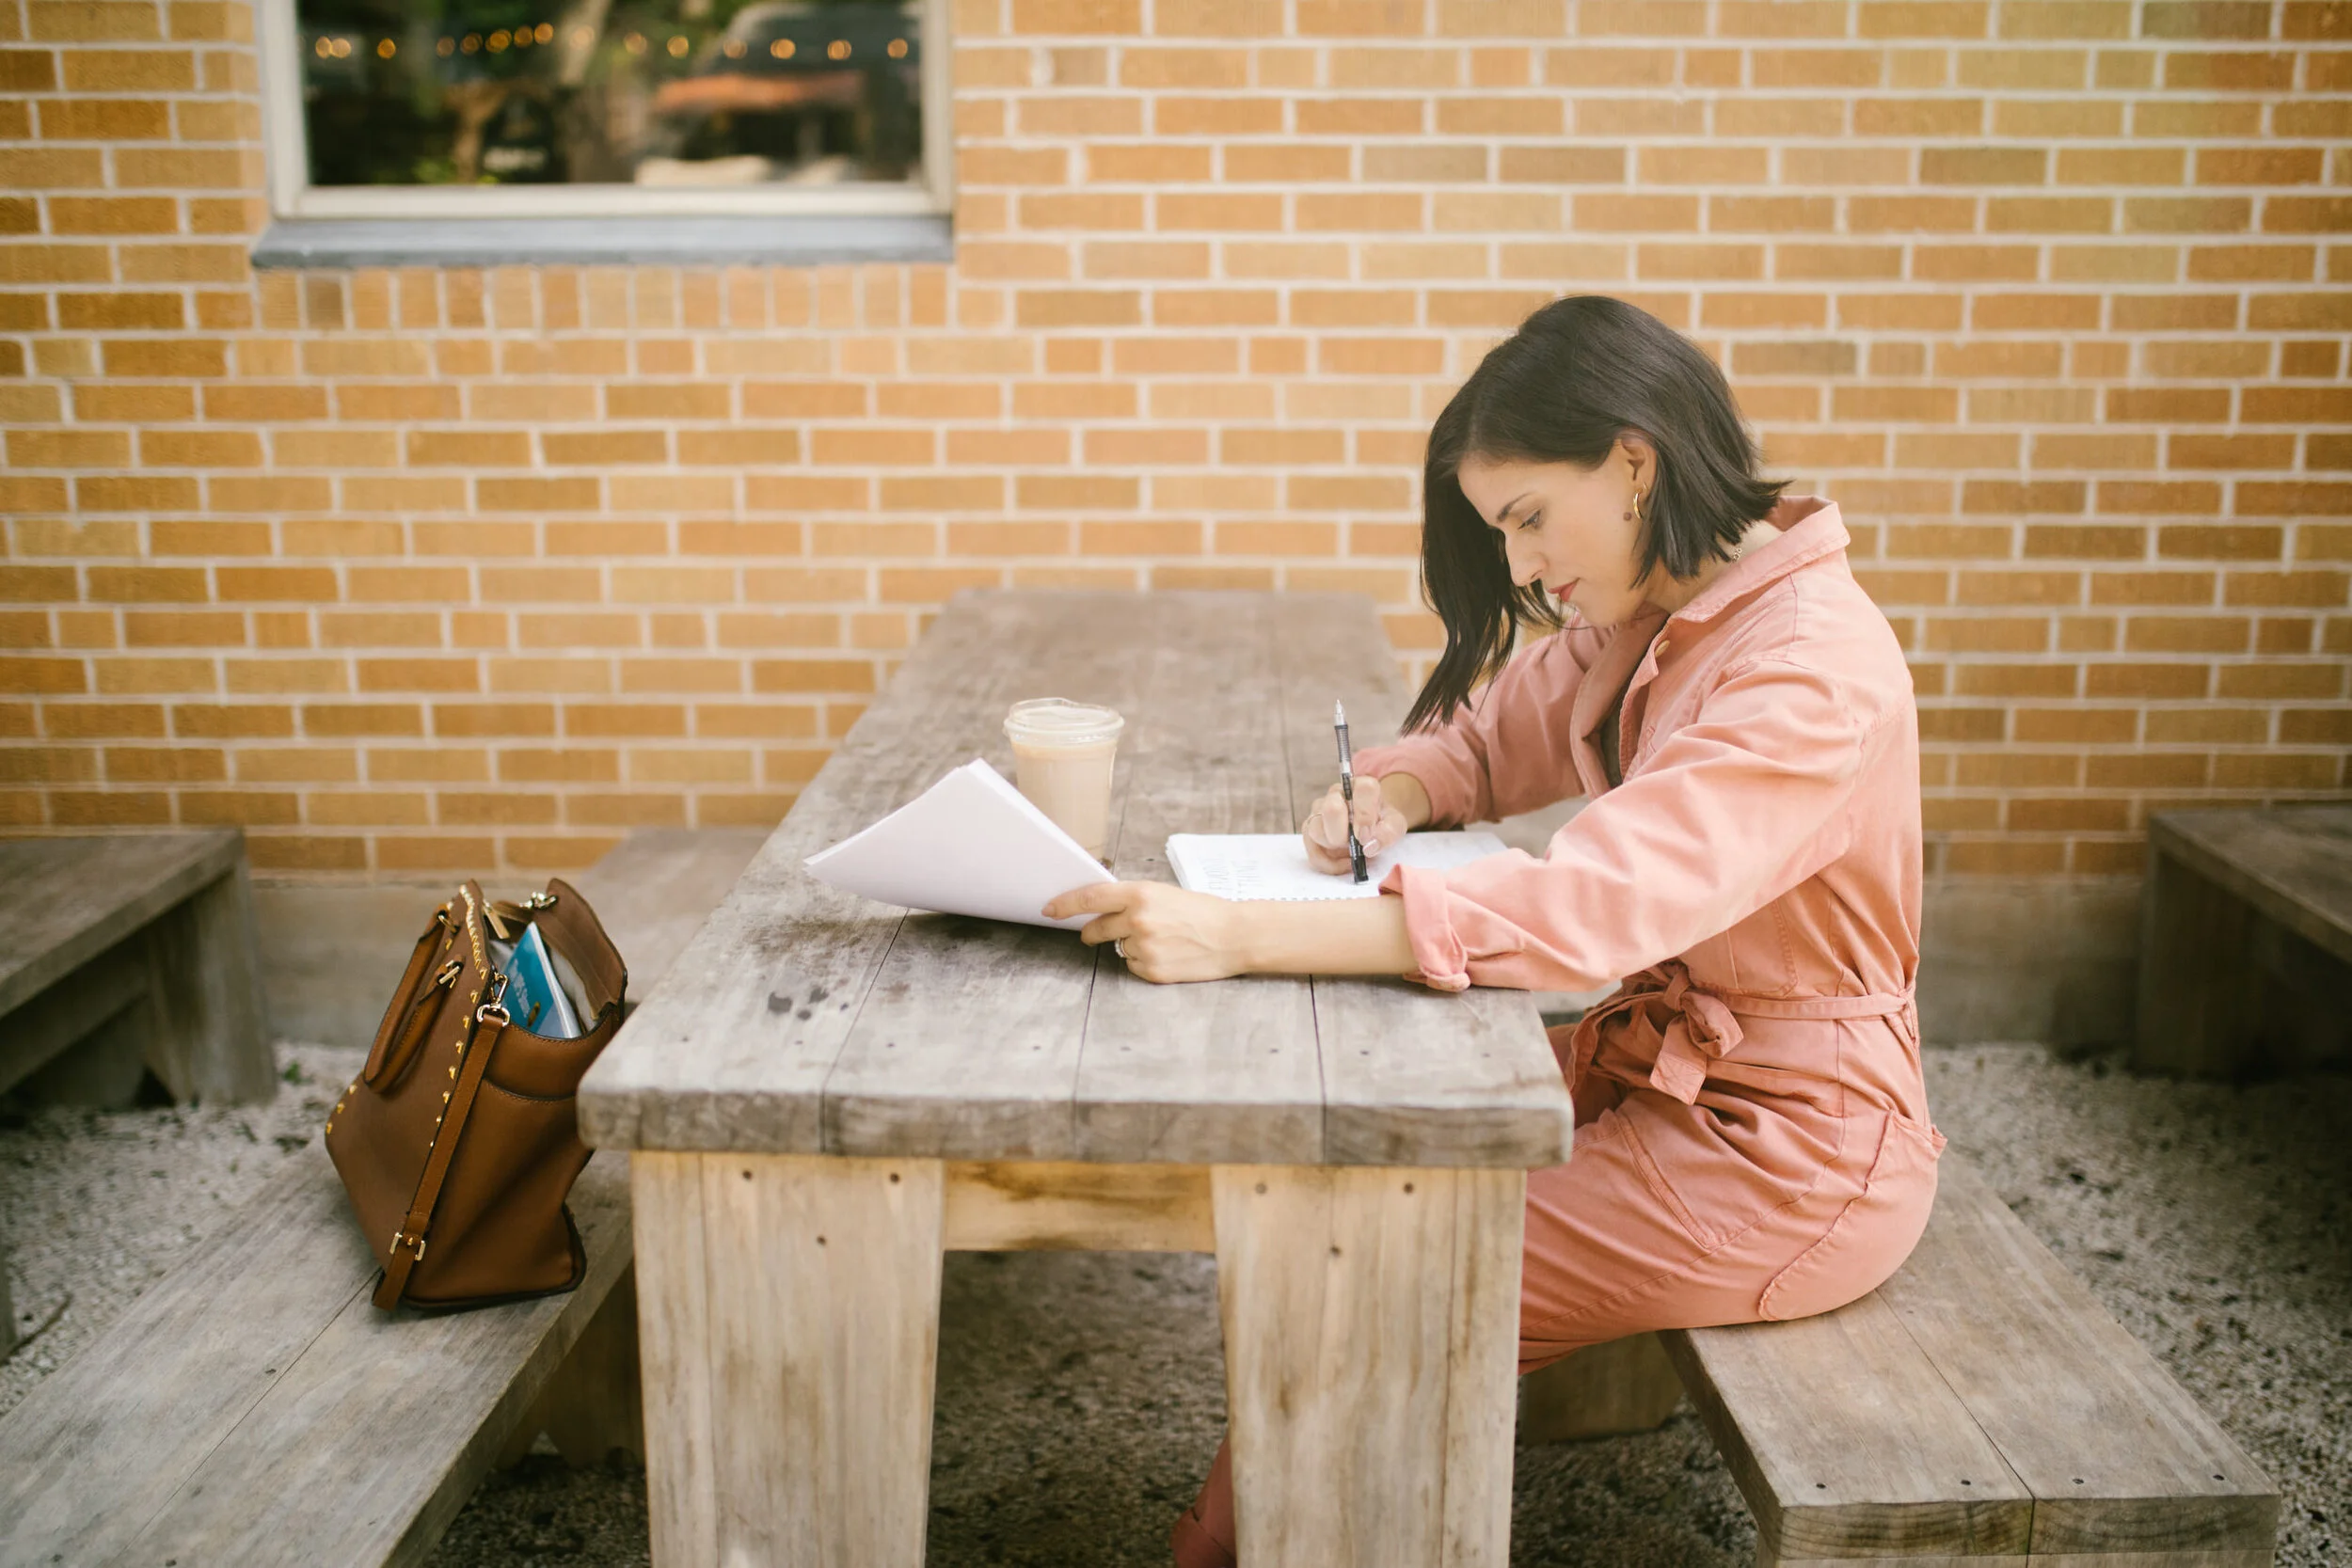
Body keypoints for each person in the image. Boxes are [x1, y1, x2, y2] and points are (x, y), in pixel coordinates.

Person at [1041, 294, 1944, 1568]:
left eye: (1527, 517)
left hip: (1788, 1146)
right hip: (1662, 1078)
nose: (1519, 566)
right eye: (1500, 531)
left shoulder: (1806, 668)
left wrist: (1235, 931)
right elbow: (1490, 734)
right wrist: (1398, 789)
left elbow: (1584, 912)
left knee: (1401, 1278)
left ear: (1633, 459)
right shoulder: (1659, 608)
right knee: (1362, 1200)